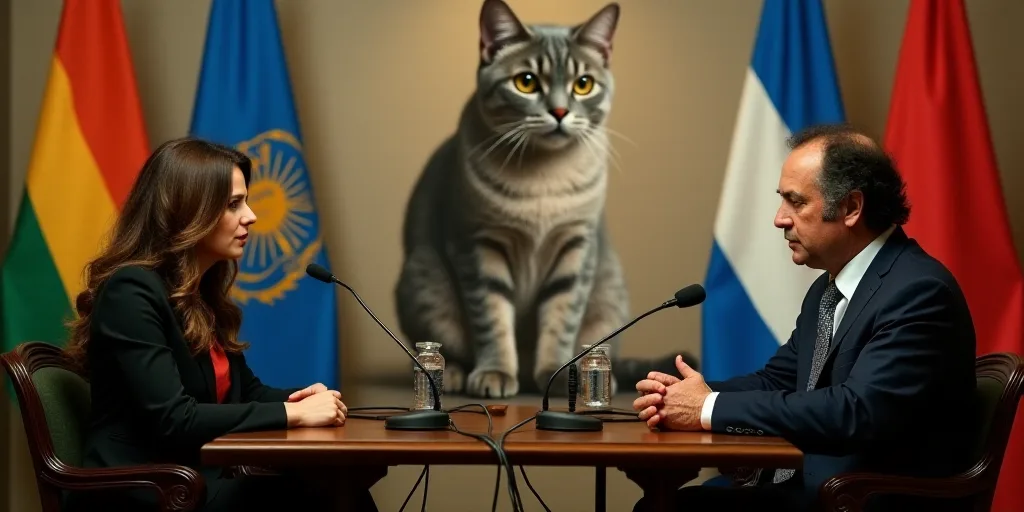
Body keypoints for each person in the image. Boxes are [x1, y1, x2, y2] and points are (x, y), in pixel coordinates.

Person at [631, 124, 977, 511]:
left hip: (863, 499)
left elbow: (855, 412)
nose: (780, 219)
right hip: (814, 488)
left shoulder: (917, 291)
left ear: (850, 208)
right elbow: (777, 379)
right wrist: (684, 396)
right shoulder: (829, 289)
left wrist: (707, 408)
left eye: (796, 202)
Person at [61, 138, 378, 511]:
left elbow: (246, 392)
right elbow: (174, 419)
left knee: (335, 483)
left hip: (193, 475)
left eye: (244, 200)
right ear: (187, 211)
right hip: (147, 489)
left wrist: (304, 398)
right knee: (325, 490)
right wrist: (294, 414)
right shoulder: (130, 290)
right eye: (233, 204)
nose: (251, 216)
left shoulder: (195, 295)